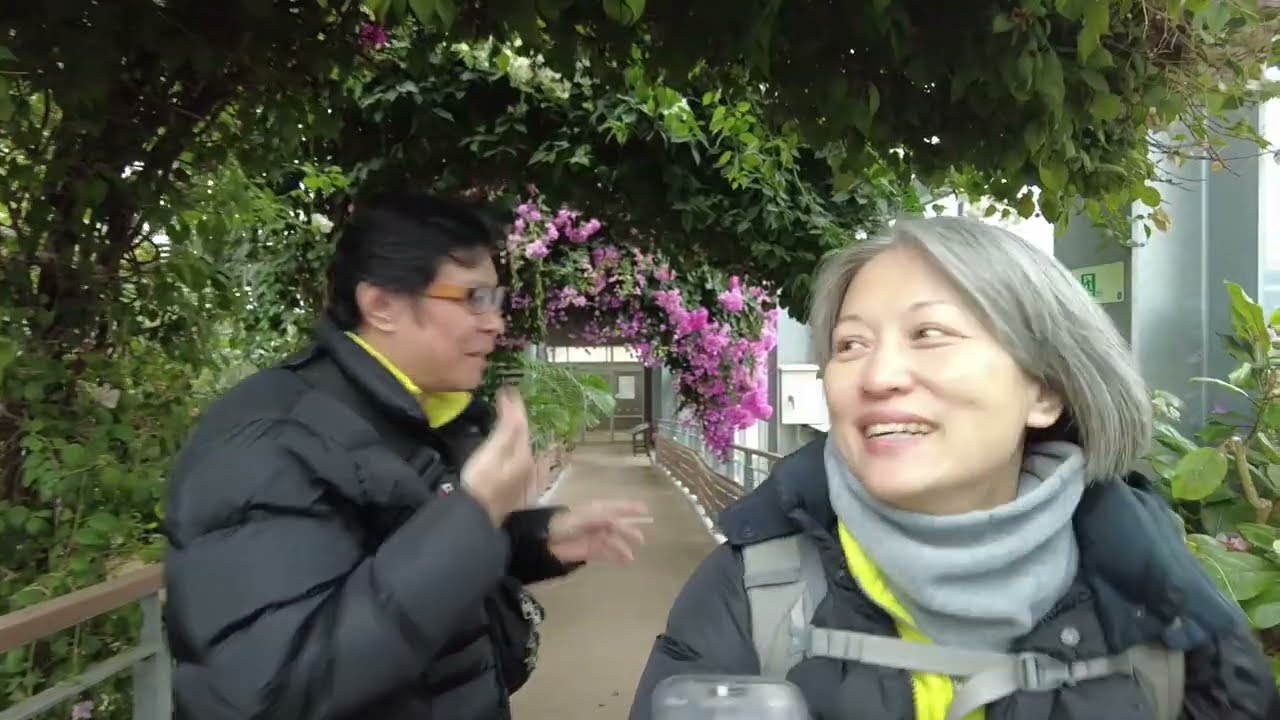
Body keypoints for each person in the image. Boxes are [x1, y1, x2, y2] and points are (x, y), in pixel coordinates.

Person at [630, 216, 1280, 720]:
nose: (878, 376)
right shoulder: (755, 593)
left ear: (1045, 390)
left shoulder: (1159, 603)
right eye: (851, 344)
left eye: (929, 334)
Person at [163, 192, 651, 720]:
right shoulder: (271, 440)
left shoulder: (413, 415)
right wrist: (474, 512)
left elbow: (393, 549)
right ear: (382, 305)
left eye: (496, 300)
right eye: (473, 298)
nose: (495, 323)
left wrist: (534, 540)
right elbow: (274, 687)